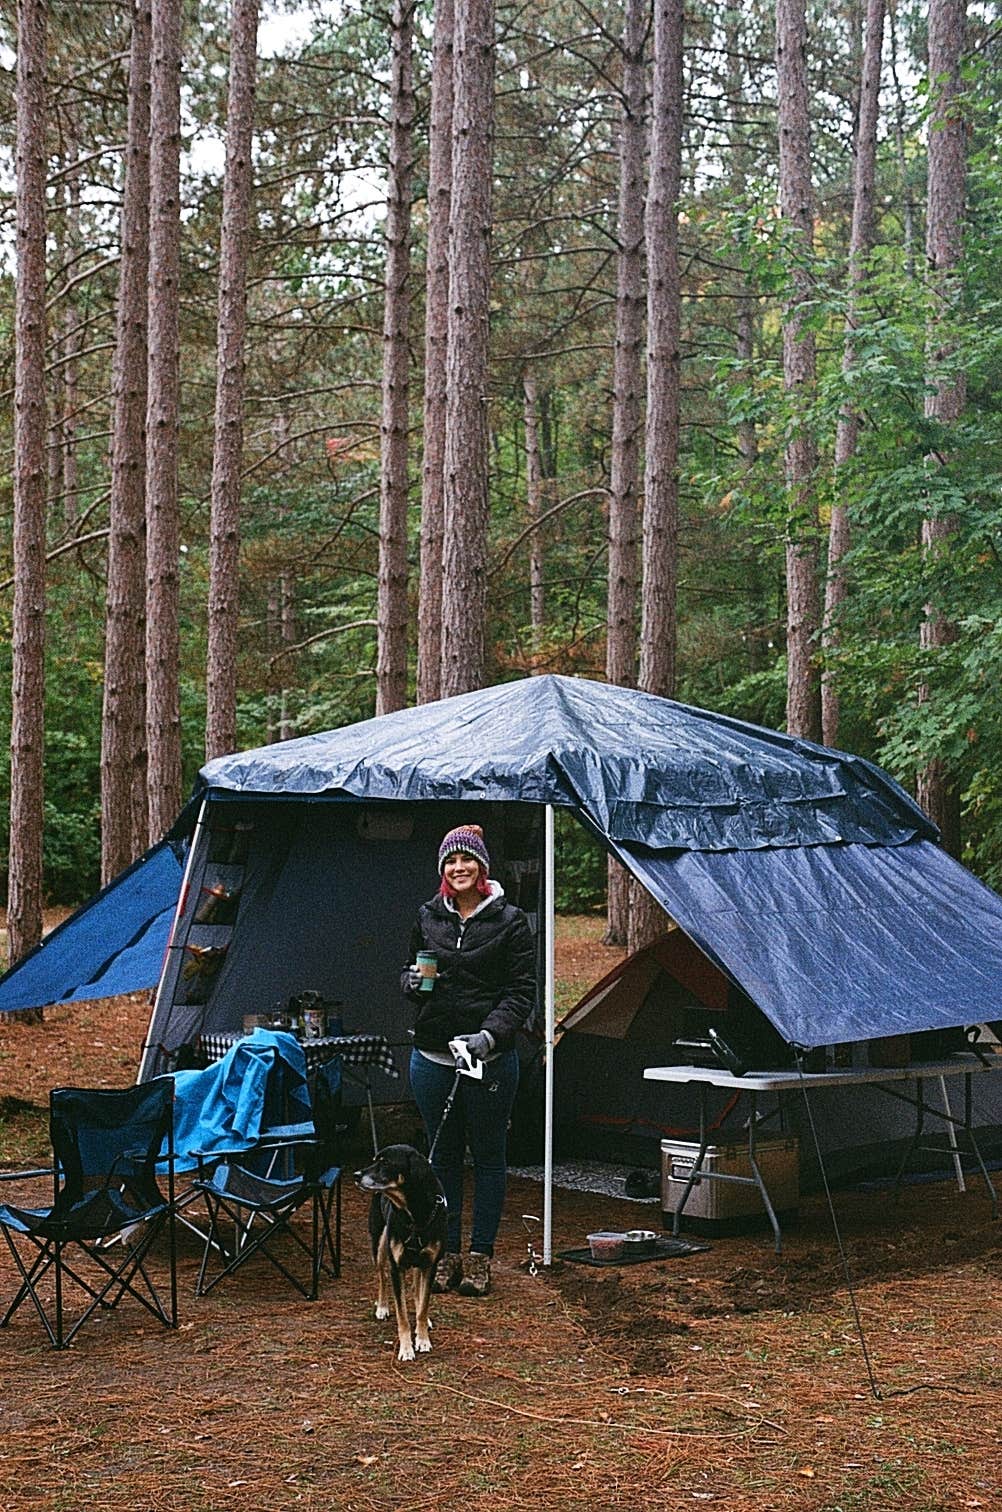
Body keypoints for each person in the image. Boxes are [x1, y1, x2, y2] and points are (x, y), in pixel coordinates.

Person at [401, 824, 536, 1297]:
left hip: (488, 1060)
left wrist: (488, 1035)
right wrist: (412, 983)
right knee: (442, 1159)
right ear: (443, 871)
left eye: (467, 861)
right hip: (432, 1055)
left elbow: (522, 993)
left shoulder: (510, 921)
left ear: (482, 868)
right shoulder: (428, 916)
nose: (459, 868)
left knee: (489, 1158)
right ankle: (447, 1253)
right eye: (450, 862)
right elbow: (418, 971)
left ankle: (480, 1257)